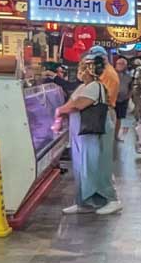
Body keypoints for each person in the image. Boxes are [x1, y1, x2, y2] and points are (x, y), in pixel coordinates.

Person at [52, 57, 122, 216]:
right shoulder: (84, 86)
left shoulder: (95, 87)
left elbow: (78, 104)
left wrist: (60, 111)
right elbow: (72, 102)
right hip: (82, 135)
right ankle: (85, 202)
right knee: (83, 167)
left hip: (92, 134)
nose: (79, 72)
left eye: (82, 68)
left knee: (96, 166)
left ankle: (111, 200)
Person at [112, 57, 133, 141]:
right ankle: (110, 135)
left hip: (123, 100)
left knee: (119, 118)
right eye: (119, 63)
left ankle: (116, 136)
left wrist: (128, 96)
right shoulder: (112, 74)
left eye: (122, 64)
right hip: (112, 99)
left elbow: (131, 87)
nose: (120, 65)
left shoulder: (129, 76)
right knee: (111, 118)